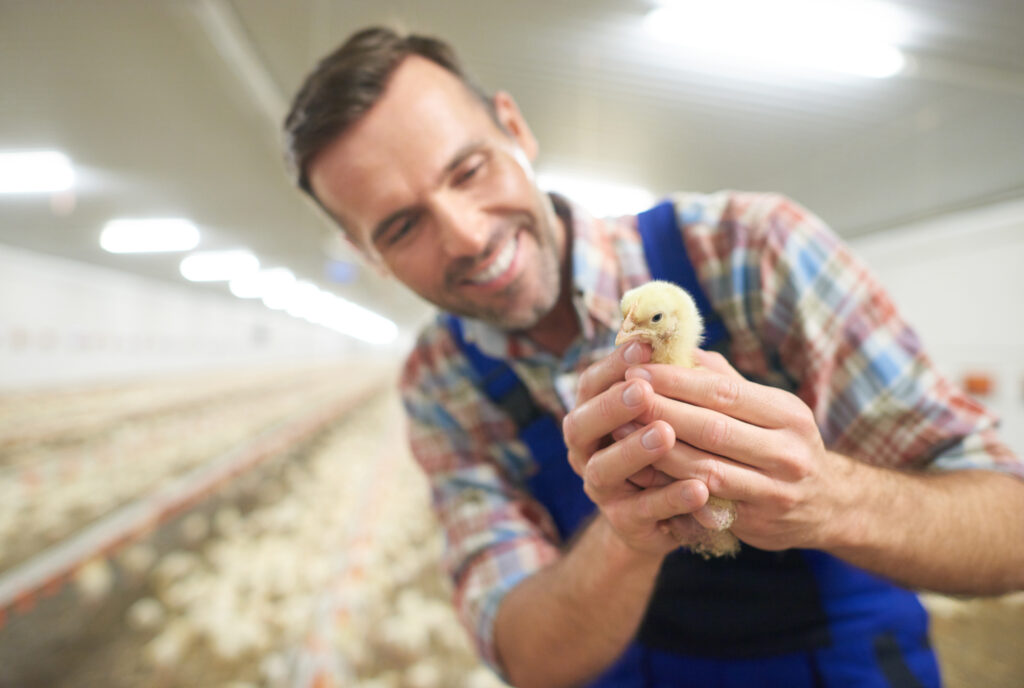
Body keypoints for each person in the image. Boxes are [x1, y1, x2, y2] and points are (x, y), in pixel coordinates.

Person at [284, 27, 1024, 688]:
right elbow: (530, 659)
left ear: (514, 128)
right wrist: (627, 530)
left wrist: (825, 496)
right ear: (365, 255)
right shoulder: (441, 382)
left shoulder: (752, 253)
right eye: (404, 224)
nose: (468, 235)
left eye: (470, 169)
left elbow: (1011, 526)